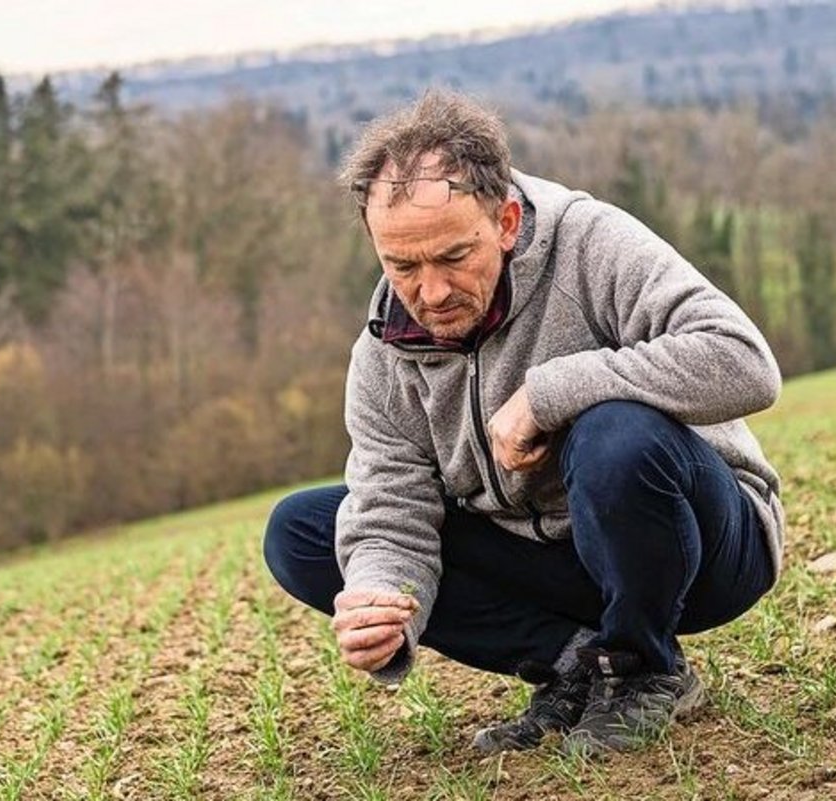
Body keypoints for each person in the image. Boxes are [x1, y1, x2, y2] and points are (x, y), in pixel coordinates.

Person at [262, 90, 785, 757]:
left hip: (699, 544)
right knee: (303, 531)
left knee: (615, 432)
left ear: (506, 221)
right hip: (553, 564)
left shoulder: (590, 244)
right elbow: (392, 507)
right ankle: (576, 664)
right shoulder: (382, 356)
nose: (431, 292)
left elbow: (744, 361)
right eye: (403, 266)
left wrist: (550, 394)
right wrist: (380, 599)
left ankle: (644, 668)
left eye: (454, 257)